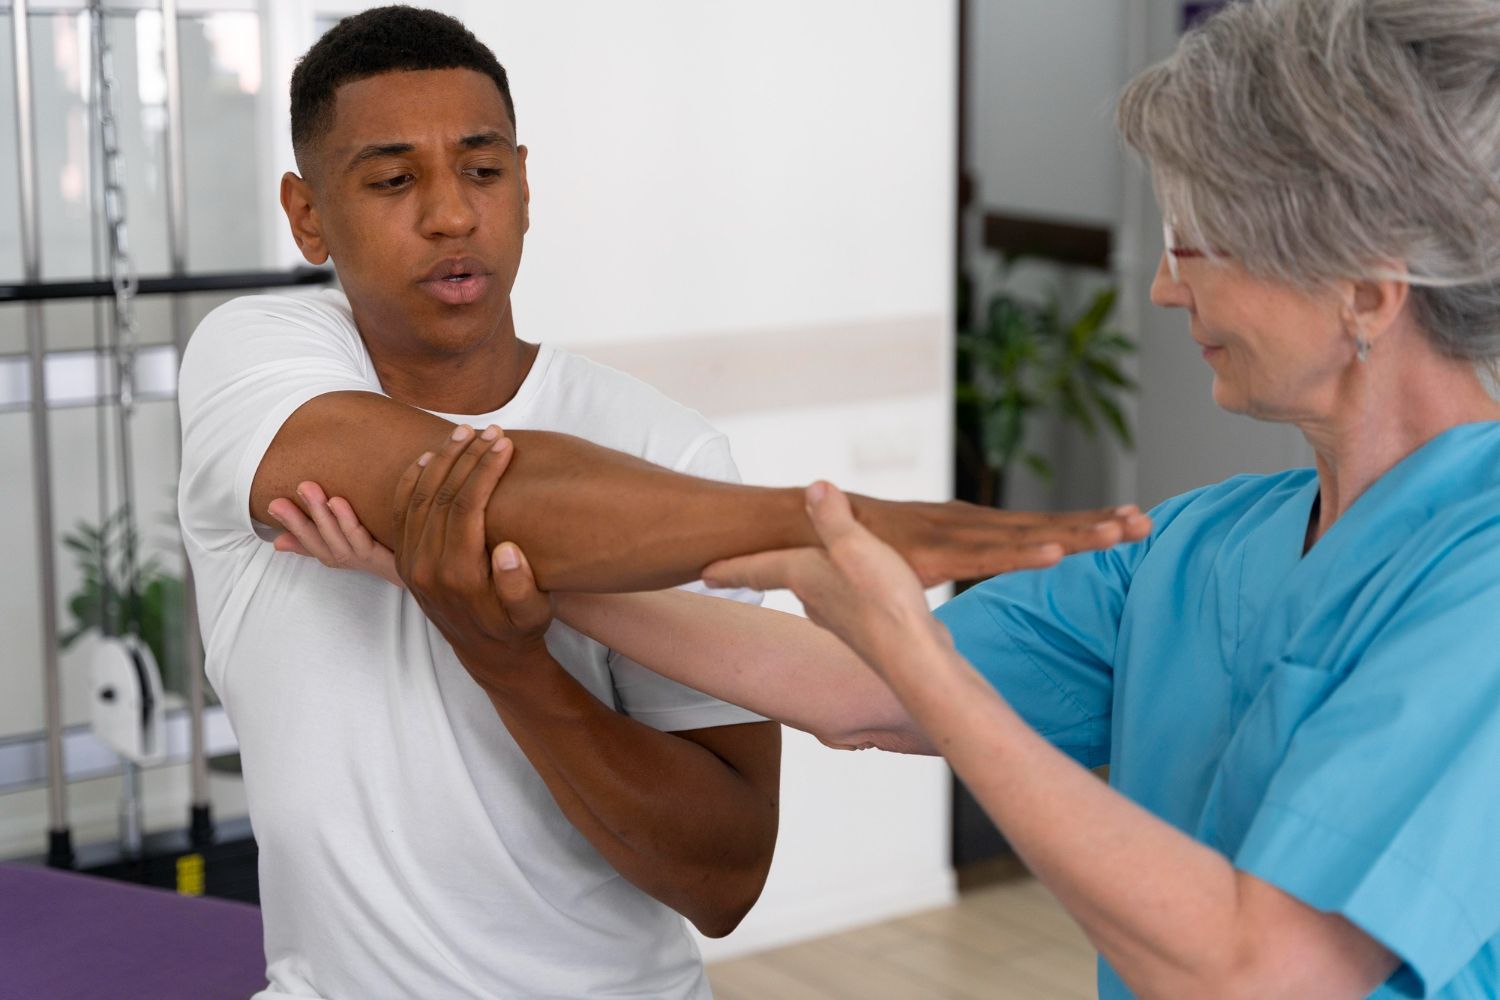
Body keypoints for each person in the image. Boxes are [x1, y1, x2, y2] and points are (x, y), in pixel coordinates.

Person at [273, 1, 1500, 997]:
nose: (1168, 293)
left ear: (1366, 286)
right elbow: (858, 686)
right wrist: (475, 568)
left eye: (1201, 245)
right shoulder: (1209, 543)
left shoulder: (1481, 582)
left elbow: (1266, 968)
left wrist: (907, 646)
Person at [178, 7, 1144, 998]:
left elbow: (724, 877)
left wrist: (515, 665)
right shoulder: (256, 359)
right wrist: (817, 520)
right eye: (391, 180)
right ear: (305, 215)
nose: (452, 216)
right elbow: (471, 486)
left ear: (524, 184)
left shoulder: (661, 447)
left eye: (482, 170)